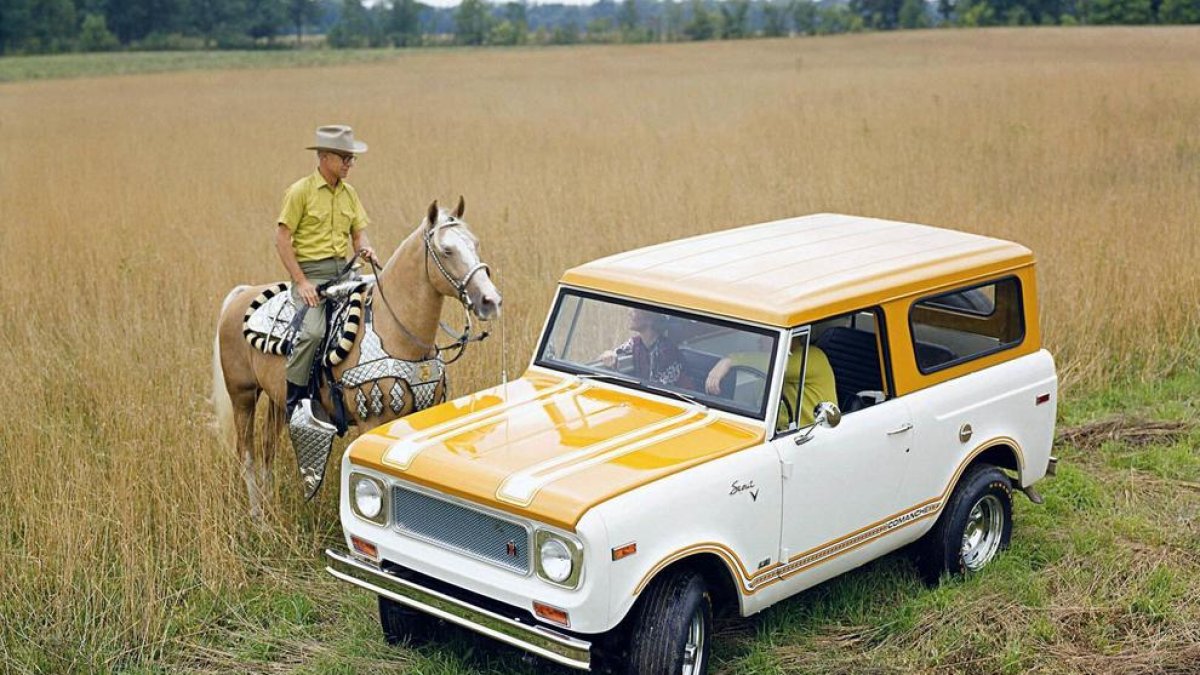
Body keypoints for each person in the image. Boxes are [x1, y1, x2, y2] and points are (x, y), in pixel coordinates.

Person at [277, 125, 379, 419]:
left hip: (345, 274)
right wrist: (302, 282)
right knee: (312, 332)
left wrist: (365, 249)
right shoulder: (300, 192)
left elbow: (358, 235)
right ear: (324, 157)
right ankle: (295, 401)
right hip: (313, 276)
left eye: (352, 158)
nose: (349, 164)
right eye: (344, 158)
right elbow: (282, 239)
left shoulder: (350, 194)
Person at [705, 336, 836, 429]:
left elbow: (777, 366)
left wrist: (730, 360)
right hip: (781, 430)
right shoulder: (765, 375)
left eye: (768, 337)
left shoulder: (813, 356)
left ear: (790, 338)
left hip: (811, 430)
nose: (759, 340)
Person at [599, 308, 691, 388]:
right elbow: (616, 352)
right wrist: (609, 354)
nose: (629, 313)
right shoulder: (635, 342)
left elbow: (658, 389)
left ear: (649, 319)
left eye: (635, 310)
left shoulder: (668, 351)